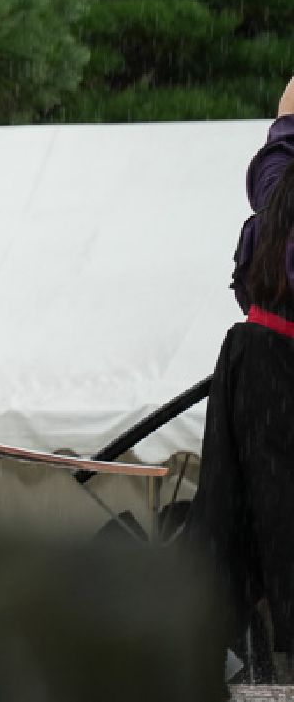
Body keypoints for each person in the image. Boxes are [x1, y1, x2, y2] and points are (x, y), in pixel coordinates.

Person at [191, 69, 294, 682]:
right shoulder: (280, 180)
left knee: (264, 527)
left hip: (264, 362)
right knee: (232, 526)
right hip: (260, 364)